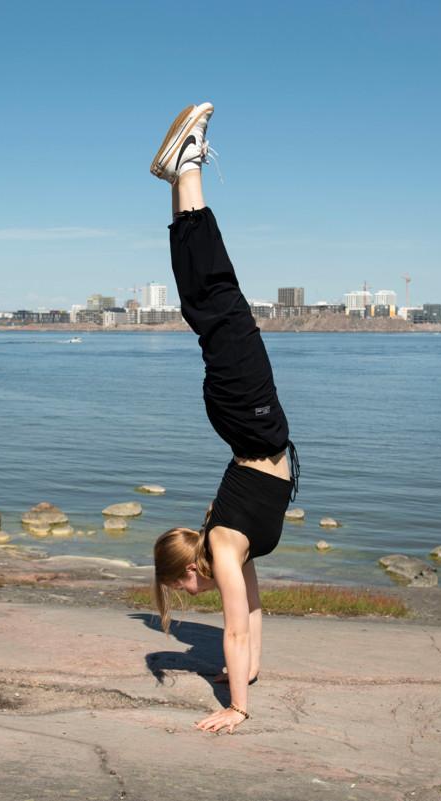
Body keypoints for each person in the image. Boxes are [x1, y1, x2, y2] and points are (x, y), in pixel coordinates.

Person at [149, 103, 299, 734]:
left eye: (178, 592)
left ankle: (186, 173)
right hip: (249, 426)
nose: (188, 601)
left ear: (190, 571)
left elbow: (233, 626)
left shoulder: (222, 545)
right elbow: (252, 619)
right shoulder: (232, 550)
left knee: (217, 306)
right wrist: (243, 684)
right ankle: (181, 178)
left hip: (252, 425)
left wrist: (235, 704)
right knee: (211, 308)